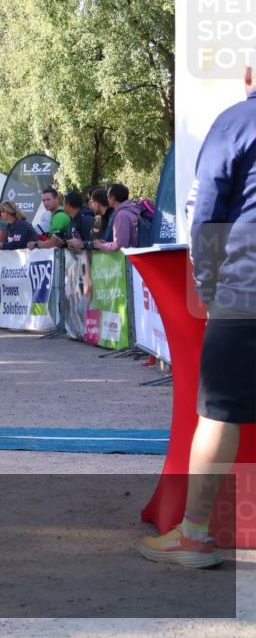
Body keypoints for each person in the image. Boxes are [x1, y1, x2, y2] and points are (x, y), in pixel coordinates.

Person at [139, 66, 256, 569]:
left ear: (250, 74)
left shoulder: (235, 123)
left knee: (218, 414)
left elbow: (204, 212)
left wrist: (207, 287)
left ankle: (194, 536)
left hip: (245, 291)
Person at [93, 183, 140, 251]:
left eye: (108, 196)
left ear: (113, 198)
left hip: (128, 258)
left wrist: (101, 245)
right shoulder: (130, 210)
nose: (107, 199)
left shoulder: (122, 215)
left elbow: (120, 245)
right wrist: (107, 244)